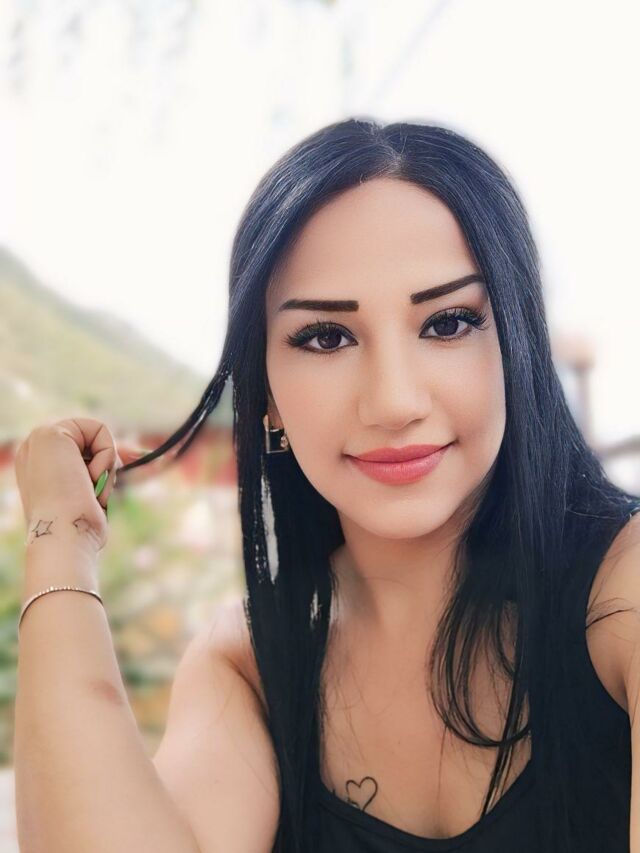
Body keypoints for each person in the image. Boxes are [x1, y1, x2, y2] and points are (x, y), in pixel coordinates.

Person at [14, 118, 640, 853]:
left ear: (518, 348)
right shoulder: (251, 660)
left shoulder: (621, 594)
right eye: (326, 337)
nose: (395, 401)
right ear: (268, 397)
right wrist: (60, 538)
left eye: (448, 323)